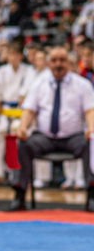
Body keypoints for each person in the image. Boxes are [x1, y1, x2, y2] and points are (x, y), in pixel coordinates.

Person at [11, 46, 94, 212]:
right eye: (54, 60)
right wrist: (22, 127)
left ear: (69, 62)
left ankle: (92, 195)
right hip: (45, 137)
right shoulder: (39, 83)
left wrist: (91, 128)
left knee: (91, 144)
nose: (58, 64)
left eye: (62, 60)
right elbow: (29, 110)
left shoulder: (82, 85)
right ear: (49, 63)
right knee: (23, 144)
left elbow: (90, 110)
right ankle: (19, 195)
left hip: (74, 137)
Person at [0, 44, 34, 185]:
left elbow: (26, 94)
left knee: (18, 139)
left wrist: (18, 111)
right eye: (9, 54)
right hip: (4, 112)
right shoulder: (2, 71)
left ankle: (20, 176)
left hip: (21, 113)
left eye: (14, 54)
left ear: (20, 56)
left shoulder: (29, 71)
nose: (11, 57)